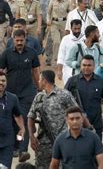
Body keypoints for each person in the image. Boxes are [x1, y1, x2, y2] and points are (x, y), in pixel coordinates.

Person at [0, 29, 40, 162]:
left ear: (25, 39)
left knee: (24, 119)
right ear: (13, 40)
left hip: (27, 93)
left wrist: (40, 88)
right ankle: (15, 147)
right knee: (12, 121)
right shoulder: (6, 54)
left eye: (21, 40)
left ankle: (23, 149)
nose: (19, 43)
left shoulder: (32, 53)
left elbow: (35, 71)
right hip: (10, 94)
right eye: (16, 40)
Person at [27, 70, 78, 169]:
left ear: (44, 81)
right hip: (43, 142)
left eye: (39, 79)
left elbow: (77, 112)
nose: (38, 82)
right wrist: (31, 136)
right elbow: (30, 116)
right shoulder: (39, 97)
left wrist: (84, 129)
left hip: (62, 140)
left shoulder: (64, 94)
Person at [64, 55, 103, 140]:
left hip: (96, 125)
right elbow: (63, 101)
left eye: (89, 65)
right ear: (80, 65)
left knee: (95, 151)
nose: (86, 68)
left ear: (94, 66)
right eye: (84, 65)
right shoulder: (72, 81)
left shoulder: (101, 82)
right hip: (76, 125)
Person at [0, 72, 26, 168]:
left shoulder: (12, 98)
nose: (1, 83)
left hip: (7, 142)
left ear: (6, 82)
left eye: (3, 80)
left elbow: (17, 115)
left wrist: (22, 128)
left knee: (5, 167)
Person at [47, 0, 72, 65]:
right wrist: (48, 20)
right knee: (56, 42)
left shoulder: (67, 2)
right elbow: (48, 12)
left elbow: (70, 12)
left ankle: (65, 59)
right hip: (54, 23)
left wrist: (69, 23)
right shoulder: (52, 1)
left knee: (64, 41)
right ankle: (55, 60)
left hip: (64, 23)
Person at [57, 19, 83, 85]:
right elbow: (61, 55)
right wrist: (59, 70)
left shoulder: (84, 38)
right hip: (68, 70)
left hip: (82, 68)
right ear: (71, 28)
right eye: (75, 28)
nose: (77, 30)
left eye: (78, 28)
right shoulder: (65, 39)